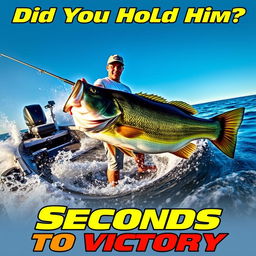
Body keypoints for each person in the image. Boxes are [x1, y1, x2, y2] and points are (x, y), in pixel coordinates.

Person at [93, 54, 157, 186]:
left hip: (129, 125)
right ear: (107, 68)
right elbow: (96, 92)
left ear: (122, 69)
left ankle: (141, 167)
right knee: (115, 162)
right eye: (113, 66)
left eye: (119, 66)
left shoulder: (127, 89)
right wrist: (86, 89)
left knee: (140, 148)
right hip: (112, 128)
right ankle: (114, 189)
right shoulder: (102, 82)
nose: (116, 69)